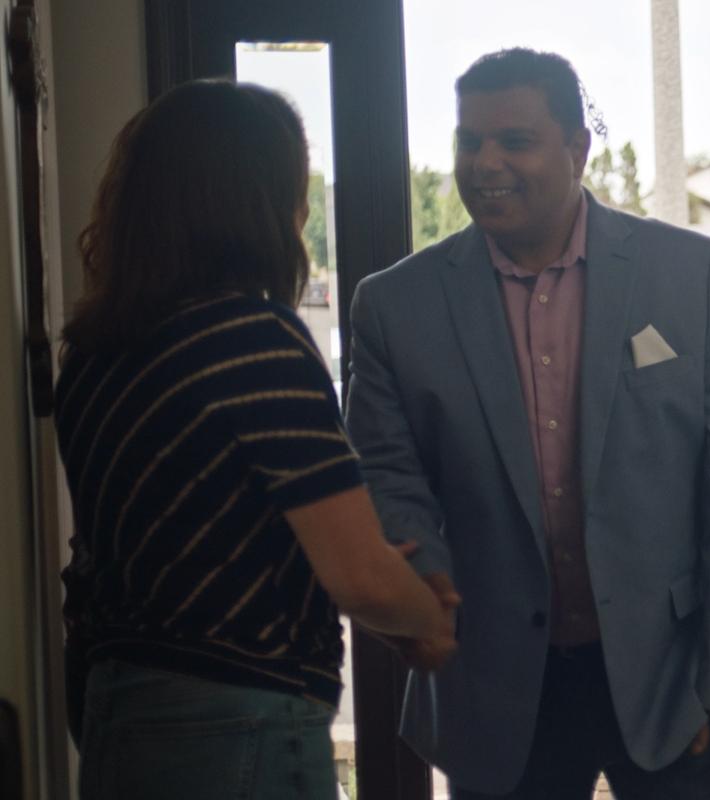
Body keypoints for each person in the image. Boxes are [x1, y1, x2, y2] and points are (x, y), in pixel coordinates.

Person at [345, 48, 710, 799]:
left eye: (513, 140)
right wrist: (422, 582)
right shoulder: (394, 307)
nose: (485, 163)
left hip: (673, 685)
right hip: (496, 689)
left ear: (578, 150)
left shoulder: (690, 274)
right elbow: (388, 475)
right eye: (468, 141)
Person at [54, 79, 458, 800]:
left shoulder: (95, 352)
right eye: (294, 189)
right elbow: (359, 574)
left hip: (115, 708)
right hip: (238, 720)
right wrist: (427, 615)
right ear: (254, 203)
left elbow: (197, 542)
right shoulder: (254, 340)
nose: (301, 212)